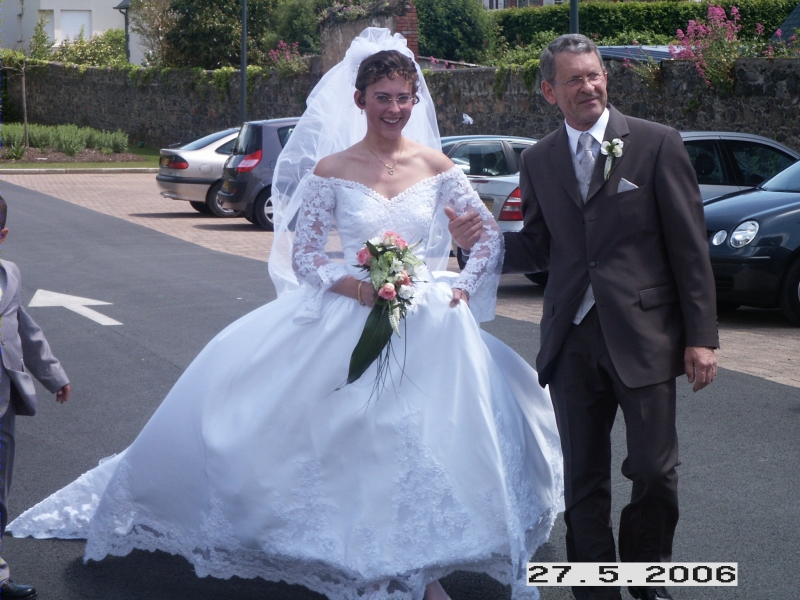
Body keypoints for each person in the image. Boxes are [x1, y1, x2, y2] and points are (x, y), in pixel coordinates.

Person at [9, 29, 563, 600]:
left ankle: (419, 569)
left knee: (420, 442)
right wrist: (359, 288)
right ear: (360, 101)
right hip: (354, 312)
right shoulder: (333, 168)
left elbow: (488, 242)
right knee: (358, 438)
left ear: (414, 102)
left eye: (403, 97)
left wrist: (463, 290)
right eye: (383, 98)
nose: (395, 108)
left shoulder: (439, 165)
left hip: (430, 325)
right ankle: (370, 557)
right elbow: (305, 256)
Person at [449, 34, 718, 600]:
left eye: (594, 75)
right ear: (550, 90)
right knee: (583, 479)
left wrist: (701, 338)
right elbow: (543, 246)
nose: (588, 86)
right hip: (571, 340)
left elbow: (690, 250)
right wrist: (476, 247)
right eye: (573, 79)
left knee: (653, 472)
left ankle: (648, 581)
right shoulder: (538, 158)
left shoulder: (655, 144)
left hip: (644, 336)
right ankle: (594, 590)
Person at [0, 195, 72, 600]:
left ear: (3, 235)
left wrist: (52, 375)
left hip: (3, 404)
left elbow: (25, 328)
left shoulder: (9, 274)